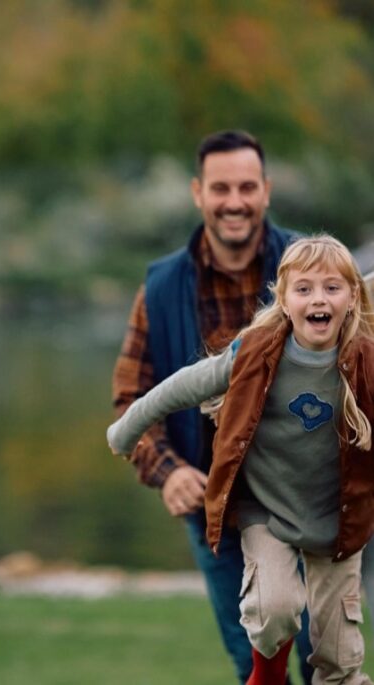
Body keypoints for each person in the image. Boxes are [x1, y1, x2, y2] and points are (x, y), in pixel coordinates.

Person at [109, 235, 374, 684]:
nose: (318, 299)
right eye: (304, 289)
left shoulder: (365, 359)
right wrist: (126, 430)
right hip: (267, 511)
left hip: (337, 519)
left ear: (351, 298)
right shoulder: (253, 353)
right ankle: (266, 675)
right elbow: (181, 387)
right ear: (284, 300)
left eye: (332, 288)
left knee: (338, 654)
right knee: (274, 609)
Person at [112, 129, 313, 683]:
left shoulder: (314, 269)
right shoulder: (161, 288)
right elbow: (132, 399)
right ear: (198, 192)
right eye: (221, 188)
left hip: (309, 504)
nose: (234, 201)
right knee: (254, 666)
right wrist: (169, 471)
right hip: (216, 515)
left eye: (247, 187)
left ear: (266, 190)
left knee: (328, 659)